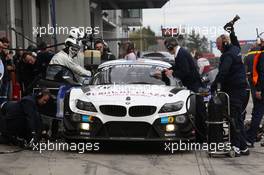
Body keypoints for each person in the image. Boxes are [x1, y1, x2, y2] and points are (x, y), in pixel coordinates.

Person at [210, 33, 249, 156]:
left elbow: (223, 72)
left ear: (225, 44)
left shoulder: (228, 55)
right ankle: (243, 147)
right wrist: (232, 33)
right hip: (241, 88)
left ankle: (236, 147)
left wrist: (214, 84)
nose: (218, 48)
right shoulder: (236, 49)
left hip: (234, 90)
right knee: (238, 118)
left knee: (234, 120)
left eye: (219, 45)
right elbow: (236, 43)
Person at [163, 37, 207, 143]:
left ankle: (202, 139)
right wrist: (169, 69)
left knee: (199, 113)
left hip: (195, 86)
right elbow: (178, 66)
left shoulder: (181, 54)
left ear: (170, 47)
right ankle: (201, 138)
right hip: (194, 85)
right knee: (198, 112)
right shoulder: (180, 53)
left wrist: (172, 73)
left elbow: (185, 71)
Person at [246, 35, 264, 147]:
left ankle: (250, 138)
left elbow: (262, 74)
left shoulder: (261, 55)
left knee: (257, 114)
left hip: (261, 89)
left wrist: (259, 90)